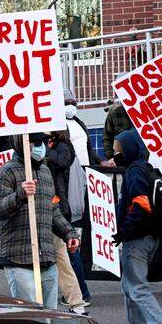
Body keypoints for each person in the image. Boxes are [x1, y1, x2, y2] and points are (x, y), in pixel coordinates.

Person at [0, 133, 80, 308]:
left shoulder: (45, 171)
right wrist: (19, 195)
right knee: (30, 313)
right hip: (18, 257)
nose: (40, 146)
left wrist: (69, 233)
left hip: (46, 256)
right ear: (21, 143)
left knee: (49, 316)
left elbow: (52, 208)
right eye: (34, 142)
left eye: (43, 142)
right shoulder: (6, 171)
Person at [112, 129, 162, 324]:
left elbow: (141, 205)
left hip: (137, 238)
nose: (114, 154)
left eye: (117, 150)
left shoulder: (134, 172)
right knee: (128, 285)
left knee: (137, 287)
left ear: (129, 149)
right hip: (152, 236)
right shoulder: (149, 170)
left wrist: (124, 230)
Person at [46, 128, 90, 314]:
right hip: (51, 206)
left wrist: (45, 149)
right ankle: (75, 298)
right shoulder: (50, 146)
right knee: (62, 256)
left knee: (66, 255)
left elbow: (63, 161)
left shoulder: (63, 146)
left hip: (59, 207)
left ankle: (80, 297)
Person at [63, 89, 101, 304]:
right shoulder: (58, 128)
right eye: (67, 102)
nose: (71, 105)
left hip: (87, 178)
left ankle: (78, 288)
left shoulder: (77, 121)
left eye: (73, 102)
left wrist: (99, 162)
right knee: (68, 236)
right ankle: (76, 290)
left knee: (81, 230)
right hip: (71, 182)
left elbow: (87, 148)